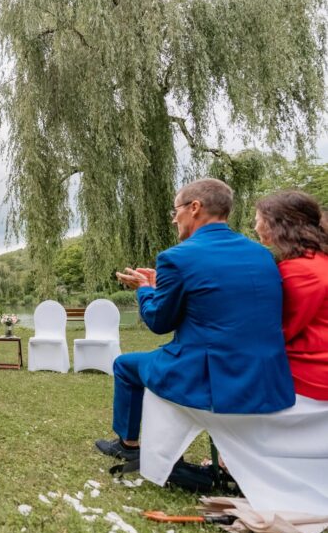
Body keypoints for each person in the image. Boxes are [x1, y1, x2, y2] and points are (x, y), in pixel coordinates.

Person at [95, 178, 295, 461]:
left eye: (175, 210)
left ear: (195, 208)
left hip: (210, 376)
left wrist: (144, 290)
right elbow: (217, 300)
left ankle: (128, 445)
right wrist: (160, 286)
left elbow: (159, 322)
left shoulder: (177, 258)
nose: (174, 218)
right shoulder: (262, 254)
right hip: (266, 376)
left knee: (125, 365)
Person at [254, 190, 328, 400]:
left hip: (310, 372)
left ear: (275, 224)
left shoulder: (299, 270)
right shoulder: (318, 260)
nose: (255, 227)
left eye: (258, 220)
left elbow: (281, 329)